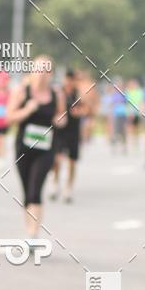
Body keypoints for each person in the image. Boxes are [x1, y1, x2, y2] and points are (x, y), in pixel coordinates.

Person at [6, 55, 66, 237]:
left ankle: (33, 234)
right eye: (39, 70)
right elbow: (9, 117)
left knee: (35, 189)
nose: (42, 75)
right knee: (27, 191)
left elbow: (63, 117)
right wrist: (27, 110)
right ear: (32, 72)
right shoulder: (21, 91)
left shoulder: (57, 94)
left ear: (51, 74)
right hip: (24, 147)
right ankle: (29, 230)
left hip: (46, 148)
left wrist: (60, 120)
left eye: (46, 71)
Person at [51, 69, 89, 203]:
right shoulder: (58, 92)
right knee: (57, 159)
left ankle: (69, 188)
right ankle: (55, 184)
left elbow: (86, 109)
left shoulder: (78, 94)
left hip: (73, 131)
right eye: (67, 79)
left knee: (72, 161)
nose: (68, 82)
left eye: (71, 80)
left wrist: (79, 112)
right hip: (60, 131)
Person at [125, 78, 144, 152]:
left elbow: (141, 101)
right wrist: (129, 112)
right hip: (130, 113)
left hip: (137, 113)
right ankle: (130, 144)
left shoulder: (139, 92)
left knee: (136, 129)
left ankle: (136, 143)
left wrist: (141, 111)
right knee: (130, 128)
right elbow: (127, 103)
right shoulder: (128, 92)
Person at [110, 80, 128, 154]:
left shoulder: (124, 94)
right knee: (116, 132)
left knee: (123, 132)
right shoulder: (114, 95)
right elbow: (112, 105)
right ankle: (115, 147)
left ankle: (124, 147)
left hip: (123, 115)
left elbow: (127, 104)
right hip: (116, 115)